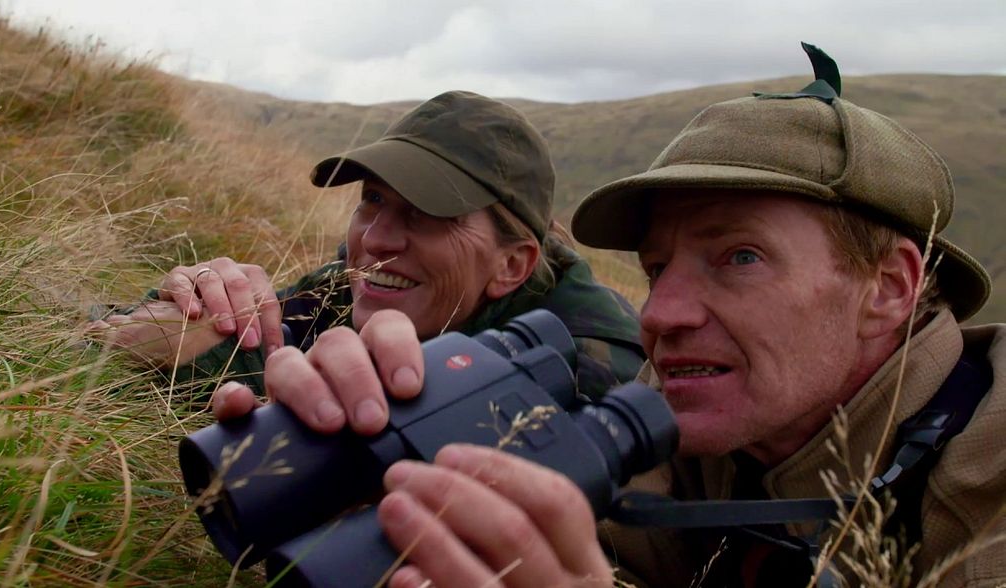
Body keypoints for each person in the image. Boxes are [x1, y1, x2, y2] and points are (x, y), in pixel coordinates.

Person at [212, 50, 1004, 587]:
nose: (661, 313)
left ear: (889, 287)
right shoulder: (685, 425)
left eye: (739, 257)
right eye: (658, 268)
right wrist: (376, 466)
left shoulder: (987, 474)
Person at [100, 90, 645, 407]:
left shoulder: (586, 367)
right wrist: (208, 308)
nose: (375, 239)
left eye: (428, 213)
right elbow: (140, 335)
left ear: (510, 265)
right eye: (374, 199)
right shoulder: (368, 277)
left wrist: (226, 363)